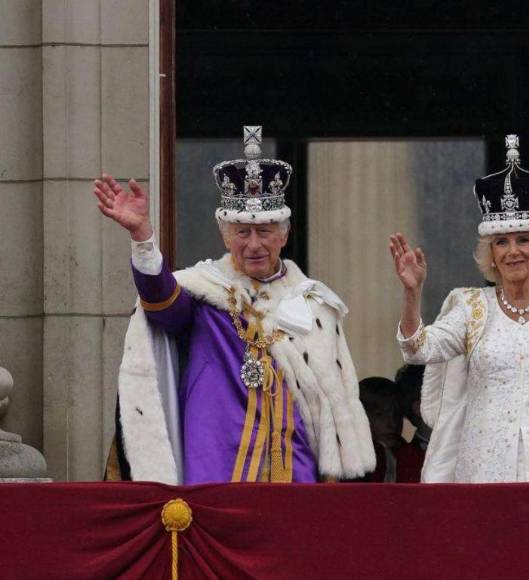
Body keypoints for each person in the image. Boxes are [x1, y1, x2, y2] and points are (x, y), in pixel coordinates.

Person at [97, 125, 374, 484]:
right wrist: (143, 238)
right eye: (242, 232)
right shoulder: (204, 294)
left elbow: (331, 406)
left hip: (295, 471)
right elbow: (161, 303)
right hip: (216, 472)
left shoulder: (315, 305)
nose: (254, 244)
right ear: (225, 236)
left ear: (285, 234)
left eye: (265, 231)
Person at [388, 135, 529, 483]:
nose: (513, 251)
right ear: (491, 254)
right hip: (484, 471)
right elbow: (418, 350)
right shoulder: (470, 306)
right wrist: (412, 292)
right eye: (502, 243)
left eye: (524, 239)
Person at [357, 375, 425, 483]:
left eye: (397, 414)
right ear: (360, 417)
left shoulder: (413, 459)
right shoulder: (352, 462)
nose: (392, 422)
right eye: (380, 415)